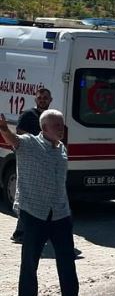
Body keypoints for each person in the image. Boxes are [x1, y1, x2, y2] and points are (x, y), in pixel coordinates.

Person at [0, 110, 92, 296]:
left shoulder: (62, 149)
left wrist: (67, 210)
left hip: (60, 212)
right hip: (34, 212)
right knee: (30, 260)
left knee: (66, 258)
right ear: (44, 128)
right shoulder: (30, 144)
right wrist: (4, 129)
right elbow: (14, 140)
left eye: (61, 125)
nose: (61, 128)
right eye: (56, 125)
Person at [10, 88, 52, 244]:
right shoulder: (28, 115)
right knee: (27, 196)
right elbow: (20, 134)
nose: (42, 100)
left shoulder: (51, 116)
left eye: (45, 98)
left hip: (46, 162)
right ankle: (20, 232)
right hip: (29, 161)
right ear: (35, 99)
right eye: (40, 97)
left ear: (50, 100)